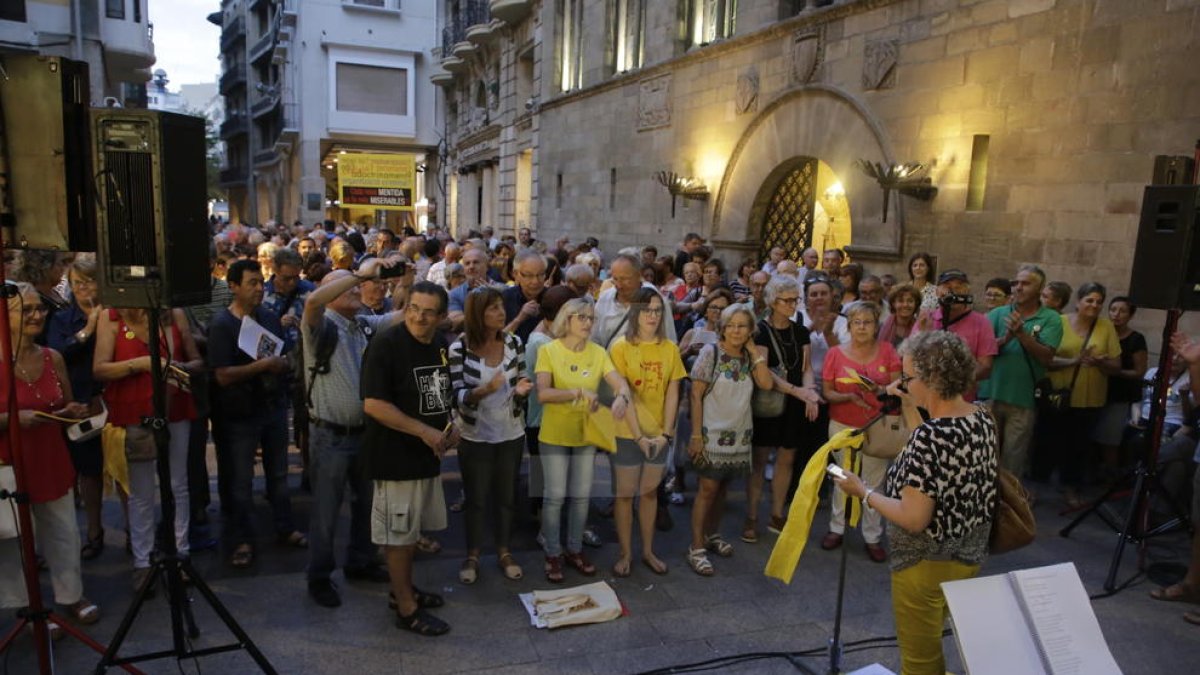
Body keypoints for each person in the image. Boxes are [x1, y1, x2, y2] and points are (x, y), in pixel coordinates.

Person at [832, 330, 998, 675]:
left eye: (908, 377)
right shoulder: (980, 416)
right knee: (933, 641)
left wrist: (864, 492)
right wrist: (909, 404)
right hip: (969, 554)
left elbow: (913, 518)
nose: (903, 383)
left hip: (925, 563)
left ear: (933, 378)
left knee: (919, 663)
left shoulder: (931, 436)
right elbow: (931, 451)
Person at [302, 259, 402, 608]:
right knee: (326, 512)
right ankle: (319, 577)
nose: (358, 289)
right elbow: (312, 302)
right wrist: (357, 274)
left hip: (363, 433)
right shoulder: (320, 324)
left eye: (358, 285)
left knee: (366, 505)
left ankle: (360, 561)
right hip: (330, 436)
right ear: (330, 292)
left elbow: (400, 316)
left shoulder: (361, 325)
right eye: (347, 286)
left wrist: (405, 279)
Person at [0, 282, 100, 632]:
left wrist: (75, 411)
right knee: (13, 541)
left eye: (39, 308)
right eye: (26, 310)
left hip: (51, 457)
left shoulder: (52, 357)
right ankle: (26, 607)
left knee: (63, 532)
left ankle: (71, 596)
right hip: (9, 462)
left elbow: (65, 407)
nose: (37, 315)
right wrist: (12, 419)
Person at [361, 281, 457, 636]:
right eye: (413, 308)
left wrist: (449, 427)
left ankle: (402, 590)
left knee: (410, 532)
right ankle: (405, 608)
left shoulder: (438, 344)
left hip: (426, 457)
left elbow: (437, 394)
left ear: (441, 317)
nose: (419, 317)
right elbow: (373, 404)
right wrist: (424, 432)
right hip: (394, 458)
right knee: (398, 536)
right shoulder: (385, 345)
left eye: (428, 311)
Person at [94, 304, 201, 591]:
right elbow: (100, 368)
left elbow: (197, 361)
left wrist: (178, 369)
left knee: (178, 484)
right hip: (133, 412)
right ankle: (143, 562)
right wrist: (139, 364)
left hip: (174, 405)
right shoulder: (111, 316)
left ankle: (181, 554)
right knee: (139, 491)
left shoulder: (175, 314)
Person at [208, 260, 306, 568]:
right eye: (251, 283)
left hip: (271, 407)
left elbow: (281, 355)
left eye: (260, 284)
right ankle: (241, 539)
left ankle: (284, 526)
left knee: (278, 474)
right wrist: (262, 367)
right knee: (239, 480)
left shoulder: (269, 318)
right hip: (237, 415)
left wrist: (283, 365)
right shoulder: (222, 325)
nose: (258, 290)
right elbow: (222, 375)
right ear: (233, 286)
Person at [535, 297, 632, 582]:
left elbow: (619, 383)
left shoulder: (599, 352)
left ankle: (574, 549)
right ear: (568, 319)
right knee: (553, 497)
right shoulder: (548, 350)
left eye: (591, 318)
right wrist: (577, 392)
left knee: (580, 497)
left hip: (586, 436)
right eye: (582, 317)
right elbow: (542, 394)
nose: (588, 323)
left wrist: (622, 398)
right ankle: (553, 553)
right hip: (554, 435)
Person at [448, 287, 533, 585]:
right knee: (476, 498)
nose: (501, 313)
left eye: (501, 307)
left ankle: (504, 550)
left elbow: (522, 375)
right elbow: (455, 394)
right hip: (475, 434)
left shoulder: (514, 342)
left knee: (506, 495)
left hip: (511, 430)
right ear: (477, 314)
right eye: (493, 308)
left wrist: (522, 388)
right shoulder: (460, 348)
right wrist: (481, 391)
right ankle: (472, 554)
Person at [685, 305, 774, 575]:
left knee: (723, 488)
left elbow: (767, 384)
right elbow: (695, 395)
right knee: (708, 489)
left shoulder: (751, 357)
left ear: (750, 331)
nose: (736, 330)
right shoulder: (710, 353)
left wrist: (753, 352)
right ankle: (696, 547)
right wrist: (696, 435)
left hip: (739, 434)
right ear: (722, 327)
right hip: (712, 433)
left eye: (742, 326)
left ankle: (712, 535)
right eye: (731, 325)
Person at [607, 289, 684, 576]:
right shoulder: (620, 347)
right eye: (646, 309)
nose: (652, 315)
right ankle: (625, 553)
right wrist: (638, 435)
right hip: (627, 432)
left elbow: (673, 393)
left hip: (659, 434)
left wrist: (665, 434)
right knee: (625, 495)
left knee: (649, 493)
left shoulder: (670, 349)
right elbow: (622, 393)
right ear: (635, 312)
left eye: (657, 310)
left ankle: (648, 551)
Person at [821, 301, 901, 562]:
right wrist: (848, 397)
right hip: (842, 423)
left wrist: (878, 390)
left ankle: (872, 536)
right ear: (849, 325)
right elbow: (828, 391)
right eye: (857, 322)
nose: (862, 327)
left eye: (868, 322)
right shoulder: (835, 353)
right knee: (843, 477)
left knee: (874, 482)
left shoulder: (888, 351)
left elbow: (898, 387)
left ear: (877, 325)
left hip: (877, 425)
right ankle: (837, 528)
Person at [746, 276, 820, 542]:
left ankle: (777, 512)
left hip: (794, 403)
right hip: (769, 401)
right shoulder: (760, 331)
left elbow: (807, 368)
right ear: (772, 301)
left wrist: (810, 392)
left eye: (794, 300)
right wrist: (798, 391)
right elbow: (765, 372)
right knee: (760, 461)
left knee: (787, 458)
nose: (792, 305)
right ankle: (752, 516)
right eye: (787, 300)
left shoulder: (800, 331)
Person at [1035, 282, 1121, 508]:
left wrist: (1101, 362)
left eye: (1099, 301)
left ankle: (1070, 488)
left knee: (1078, 447)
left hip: (1089, 398)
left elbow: (1116, 365)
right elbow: (1045, 359)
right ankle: (1032, 489)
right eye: (1090, 300)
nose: (1094, 305)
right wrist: (1074, 361)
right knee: (1046, 442)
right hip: (1056, 396)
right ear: (1078, 302)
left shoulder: (1105, 327)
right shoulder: (1058, 322)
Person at [45, 255, 105, 559]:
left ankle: (137, 534)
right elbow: (56, 354)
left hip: (112, 400)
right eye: (77, 283)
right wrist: (87, 331)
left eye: (89, 281)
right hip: (80, 402)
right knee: (89, 472)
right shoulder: (61, 319)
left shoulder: (115, 314)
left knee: (123, 471)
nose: (83, 288)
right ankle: (94, 531)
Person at [986, 264, 1063, 478]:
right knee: (985, 456)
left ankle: (1009, 507)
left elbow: (1047, 356)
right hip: (990, 394)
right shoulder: (997, 314)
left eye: (1025, 283)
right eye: (1016, 283)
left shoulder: (1051, 319)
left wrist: (1022, 334)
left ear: (1039, 289)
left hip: (1023, 400)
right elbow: (979, 350)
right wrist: (1004, 339)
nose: (1018, 287)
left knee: (1013, 459)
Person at [1093, 296, 1148, 476]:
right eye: (1113, 310)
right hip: (1096, 391)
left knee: (1110, 439)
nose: (1116, 315)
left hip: (1119, 395)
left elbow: (1139, 371)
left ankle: (1109, 476)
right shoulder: (1100, 333)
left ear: (1130, 315)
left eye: (1122, 311)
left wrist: (1114, 370)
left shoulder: (1136, 339)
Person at [929, 270, 997, 401]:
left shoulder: (982, 323)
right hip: (926, 400)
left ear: (967, 291)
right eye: (948, 287)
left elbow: (986, 367)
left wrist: (953, 381)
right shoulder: (927, 318)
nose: (953, 291)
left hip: (961, 402)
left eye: (958, 287)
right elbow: (910, 358)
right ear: (938, 291)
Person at [593, 254, 677, 347]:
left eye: (624, 279)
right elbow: (593, 337)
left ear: (638, 275)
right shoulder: (605, 299)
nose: (619, 285)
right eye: (615, 279)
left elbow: (669, 341)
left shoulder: (656, 302)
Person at [502, 250, 547, 341]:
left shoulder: (554, 298)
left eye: (540, 275)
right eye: (528, 275)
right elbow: (496, 340)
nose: (535, 281)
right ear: (515, 274)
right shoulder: (504, 299)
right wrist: (519, 319)